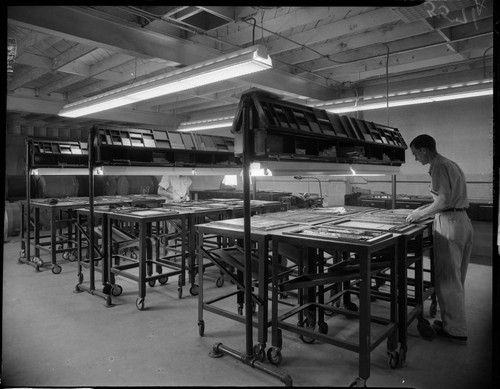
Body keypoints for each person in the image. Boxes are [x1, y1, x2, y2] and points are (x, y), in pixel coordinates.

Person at [406, 134, 473, 345]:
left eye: (415, 153)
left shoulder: (437, 166)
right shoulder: (450, 164)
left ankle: (454, 330)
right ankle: (455, 323)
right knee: (457, 276)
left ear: (424, 150)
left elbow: (443, 200)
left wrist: (420, 215)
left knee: (447, 278)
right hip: (462, 220)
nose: (416, 158)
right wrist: (424, 208)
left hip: (449, 223)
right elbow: (447, 198)